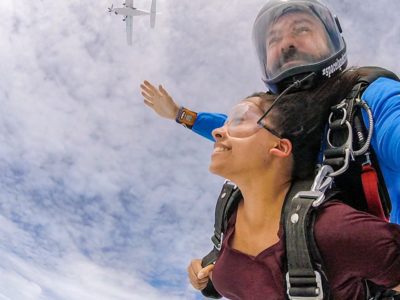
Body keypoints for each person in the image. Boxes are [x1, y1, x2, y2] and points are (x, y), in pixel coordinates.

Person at [141, 0, 400, 223]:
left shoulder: (373, 99)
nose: (286, 42)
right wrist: (180, 114)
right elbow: (237, 131)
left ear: (333, 38)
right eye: (274, 38)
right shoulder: (278, 123)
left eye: (302, 29)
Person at [185, 74, 400, 299]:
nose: (217, 132)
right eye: (226, 123)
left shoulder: (335, 230)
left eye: (240, 120)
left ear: (279, 147)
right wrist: (206, 275)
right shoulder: (228, 214)